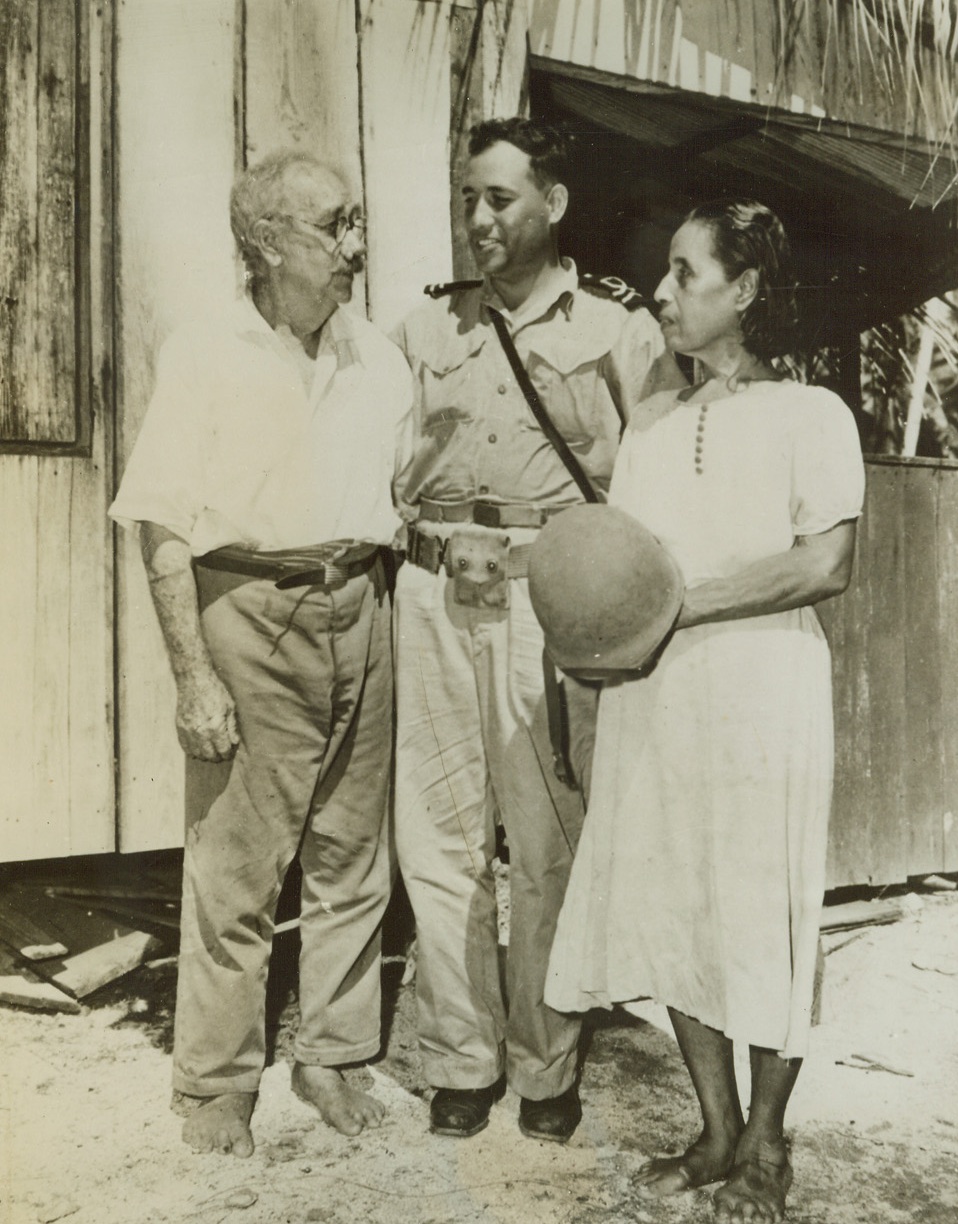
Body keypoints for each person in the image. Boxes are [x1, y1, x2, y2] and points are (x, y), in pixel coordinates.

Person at [544, 199, 865, 1221]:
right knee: (678, 898)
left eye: (687, 274)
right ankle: (716, 1127)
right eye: (666, 273)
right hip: (661, 691)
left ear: (747, 291)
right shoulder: (650, 425)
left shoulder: (811, 415)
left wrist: (681, 605)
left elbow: (824, 563)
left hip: (763, 689)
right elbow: (618, 571)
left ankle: (768, 1143)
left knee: (762, 906)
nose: (664, 293)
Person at [109, 150, 412, 1157]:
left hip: (360, 605)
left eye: (357, 222)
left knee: (351, 857)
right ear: (266, 241)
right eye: (335, 226)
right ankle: (215, 1084)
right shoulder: (206, 351)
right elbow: (157, 525)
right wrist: (192, 675)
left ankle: (330, 1055)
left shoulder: (378, 358)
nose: (355, 248)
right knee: (236, 868)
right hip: (246, 611)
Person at [390, 116, 684, 1143]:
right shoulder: (428, 326)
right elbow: (383, 461)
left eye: (499, 198)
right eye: (469, 197)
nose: (477, 219)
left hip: (542, 603)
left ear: (552, 205)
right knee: (435, 836)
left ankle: (547, 1063)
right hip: (430, 594)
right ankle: (463, 1059)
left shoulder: (616, 330)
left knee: (546, 839)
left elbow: (653, 486)